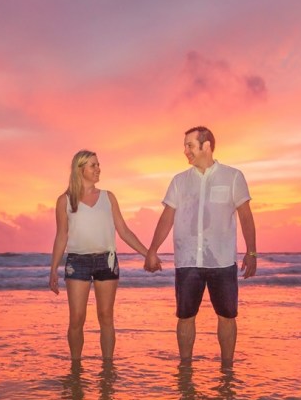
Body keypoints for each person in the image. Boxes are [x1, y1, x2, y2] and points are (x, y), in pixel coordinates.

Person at [144, 126, 257, 367]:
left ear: (206, 146)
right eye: (185, 146)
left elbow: (246, 216)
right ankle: (185, 366)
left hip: (222, 260)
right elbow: (167, 217)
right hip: (187, 261)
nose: (185, 150)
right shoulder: (179, 181)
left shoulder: (233, 176)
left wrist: (252, 252)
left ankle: (227, 367)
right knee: (185, 316)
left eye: (189, 145)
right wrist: (152, 250)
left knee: (227, 316)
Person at [49, 150, 151, 362]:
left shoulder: (108, 197)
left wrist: (147, 254)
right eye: (93, 165)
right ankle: (75, 366)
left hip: (107, 261)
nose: (98, 169)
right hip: (77, 262)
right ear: (80, 169)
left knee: (106, 317)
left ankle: (107, 367)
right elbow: (61, 236)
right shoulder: (65, 201)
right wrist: (53, 270)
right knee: (77, 319)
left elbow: (123, 231)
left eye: (98, 165)